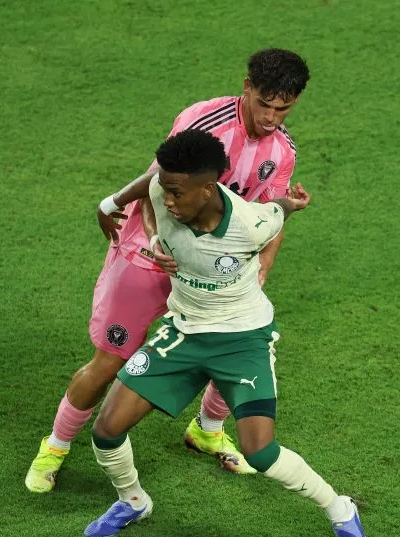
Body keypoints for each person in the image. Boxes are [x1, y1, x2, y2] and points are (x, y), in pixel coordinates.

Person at [82, 129, 370, 537]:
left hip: (242, 337)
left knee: (261, 451)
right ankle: (132, 501)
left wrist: (292, 204)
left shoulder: (252, 223)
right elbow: (148, 195)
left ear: (209, 187)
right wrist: (148, 234)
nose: (169, 199)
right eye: (167, 188)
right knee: (106, 429)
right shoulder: (164, 188)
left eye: (178, 192)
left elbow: (279, 212)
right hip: (184, 331)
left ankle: (340, 509)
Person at [26, 49, 310, 493]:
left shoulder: (283, 151)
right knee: (110, 360)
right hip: (149, 257)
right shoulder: (205, 120)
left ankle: (207, 430)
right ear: (247, 87)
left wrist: (261, 269)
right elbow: (161, 183)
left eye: (284, 108)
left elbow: (269, 214)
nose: (272, 117)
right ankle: (55, 447)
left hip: (216, 270)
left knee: (231, 346)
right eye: (265, 104)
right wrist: (144, 228)